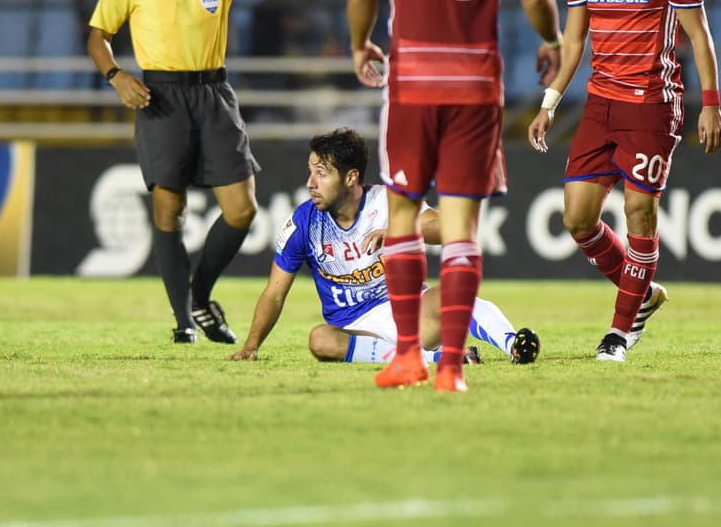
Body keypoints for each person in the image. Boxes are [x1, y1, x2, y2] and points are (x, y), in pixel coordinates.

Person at [87, 0, 353, 344]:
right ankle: (184, 320)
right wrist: (115, 75)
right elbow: (97, 34)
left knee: (242, 210)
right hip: (159, 95)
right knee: (169, 211)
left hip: (213, 93)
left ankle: (200, 291)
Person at [347, 0, 562, 392]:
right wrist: (553, 39)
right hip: (475, 84)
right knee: (464, 229)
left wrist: (361, 43)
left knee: (401, 216)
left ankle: (409, 355)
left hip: (412, 78)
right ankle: (449, 370)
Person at [527, 0, 721, 362]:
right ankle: (643, 292)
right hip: (601, 104)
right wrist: (550, 103)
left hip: (652, 104)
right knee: (577, 219)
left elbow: (699, 35)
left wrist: (712, 103)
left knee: (639, 212)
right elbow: (574, 42)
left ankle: (619, 333)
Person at [229, 130, 540, 365]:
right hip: (354, 331)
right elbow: (274, 292)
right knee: (320, 340)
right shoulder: (304, 222)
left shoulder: (387, 202)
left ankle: (514, 344)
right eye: (312, 171)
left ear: (351, 177)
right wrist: (251, 346)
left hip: (411, 314)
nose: (311, 182)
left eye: (321, 174)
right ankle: (438, 358)